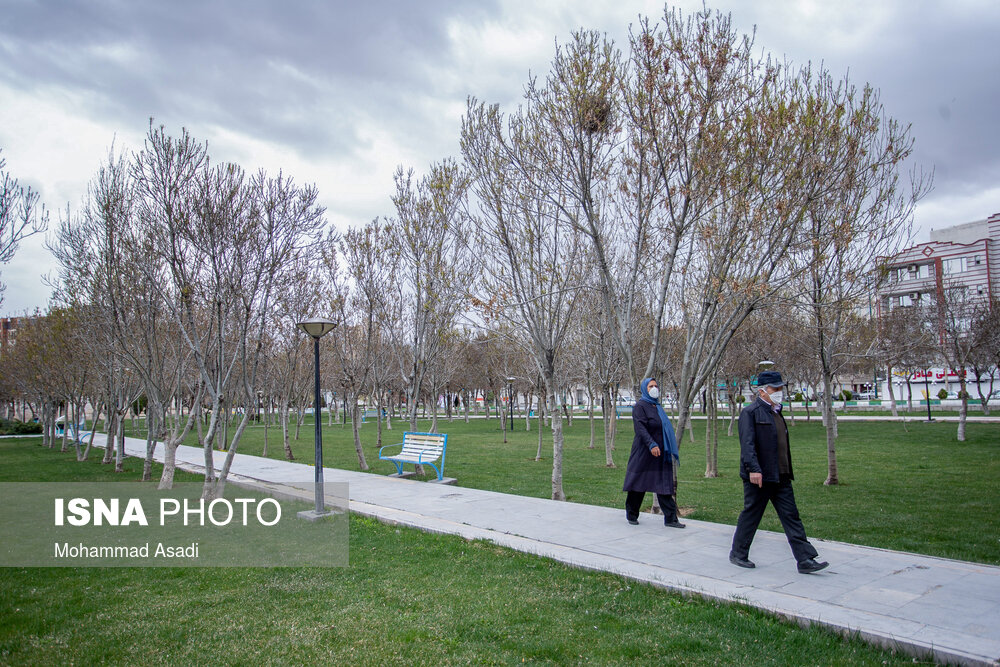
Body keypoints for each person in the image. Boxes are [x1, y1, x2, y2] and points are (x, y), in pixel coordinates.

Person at [729, 370, 828, 574]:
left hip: (780, 475)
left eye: (781, 388)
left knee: (791, 516)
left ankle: (805, 559)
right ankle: (738, 553)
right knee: (752, 515)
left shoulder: (777, 412)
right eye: (775, 389)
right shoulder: (750, 413)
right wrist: (753, 470)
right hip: (760, 477)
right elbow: (747, 446)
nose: (779, 392)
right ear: (762, 391)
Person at [623, 377, 684, 528]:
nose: (654, 388)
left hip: (660, 453)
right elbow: (640, 428)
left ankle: (671, 519)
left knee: (663, 484)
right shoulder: (640, 406)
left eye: (656, 385)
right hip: (644, 451)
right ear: (645, 389)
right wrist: (651, 444)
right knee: (638, 483)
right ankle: (632, 514)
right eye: (651, 386)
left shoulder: (657, 407)